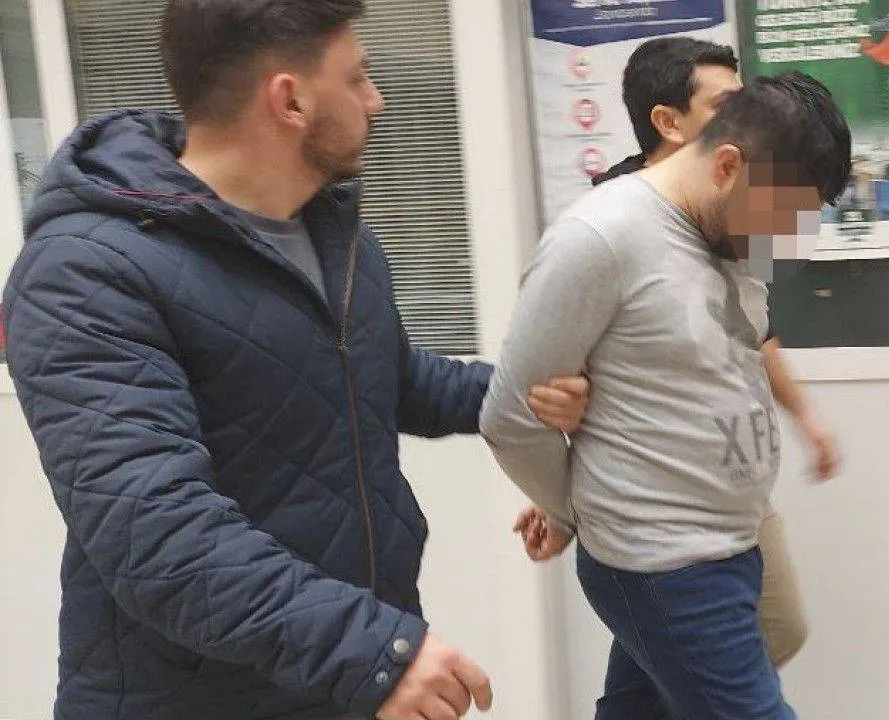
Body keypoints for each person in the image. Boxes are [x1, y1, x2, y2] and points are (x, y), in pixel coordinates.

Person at [2, 2, 588, 719]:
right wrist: (367, 650)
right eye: (358, 78)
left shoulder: (335, 235)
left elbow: (390, 379)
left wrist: (523, 394)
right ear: (290, 100)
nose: (377, 100)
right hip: (196, 698)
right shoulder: (86, 270)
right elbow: (152, 529)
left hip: (335, 674)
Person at [480, 72, 852, 720]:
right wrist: (572, 510)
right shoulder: (601, 237)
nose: (786, 236)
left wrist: (803, 418)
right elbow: (511, 418)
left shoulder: (729, 234)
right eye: (783, 214)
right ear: (728, 166)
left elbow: (738, 351)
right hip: (664, 563)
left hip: (728, 546)